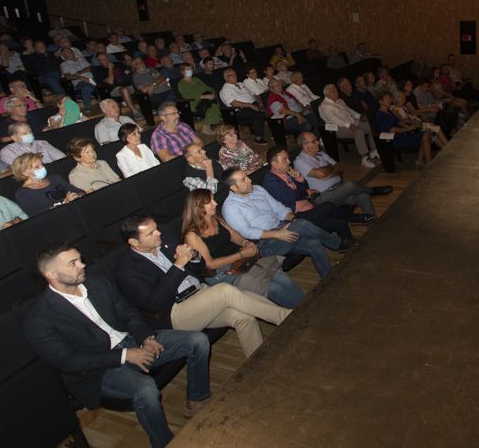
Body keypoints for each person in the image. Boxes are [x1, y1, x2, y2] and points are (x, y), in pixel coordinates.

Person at [25, 243, 211, 448]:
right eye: (73, 263)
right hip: (100, 369)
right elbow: (69, 361)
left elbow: (128, 313)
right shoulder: (40, 319)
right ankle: (165, 443)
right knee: (146, 389)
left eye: (80, 259)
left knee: (197, 341)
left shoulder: (97, 284)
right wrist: (125, 356)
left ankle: (196, 399)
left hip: (133, 341)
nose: (82, 265)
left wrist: (145, 337)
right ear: (50, 273)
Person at [113, 214, 291, 358]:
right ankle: (287, 318)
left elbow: (199, 268)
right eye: (150, 233)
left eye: (156, 228)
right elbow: (156, 303)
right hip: (176, 312)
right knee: (224, 290)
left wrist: (194, 255)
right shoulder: (127, 271)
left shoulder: (164, 240)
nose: (158, 233)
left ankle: (259, 363)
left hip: (200, 294)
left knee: (244, 318)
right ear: (134, 242)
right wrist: (178, 266)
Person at [182, 189, 305, 309]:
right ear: (198, 207)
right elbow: (210, 264)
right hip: (221, 273)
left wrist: (245, 243)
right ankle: (302, 312)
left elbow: (234, 235)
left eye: (213, 199)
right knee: (271, 287)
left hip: (240, 261)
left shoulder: (216, 219)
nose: (215, 203)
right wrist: (241, 255)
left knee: (278, 274)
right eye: (210, 202)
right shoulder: (192, 235)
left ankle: (307, 305)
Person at [220, 167, 346, 278]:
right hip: (265, 243)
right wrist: (277, 234)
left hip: (281, 227)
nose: (250, 180)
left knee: (314, 244)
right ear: (233, 187)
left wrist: (293, 219)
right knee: (302, 224)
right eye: (243, 180)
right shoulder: (231, 207)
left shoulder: (257, 189)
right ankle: (338, 244)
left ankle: (328, 278)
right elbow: (247, 232)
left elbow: (279, 208)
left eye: (246, 176)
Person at [263, 146, 365, 238]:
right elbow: (291, 197)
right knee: (327, 206)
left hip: (308, 206)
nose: (289, 161)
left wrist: (299, 177)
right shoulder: (271, 181)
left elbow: (305, 186)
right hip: (296, 215)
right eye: (284, 159)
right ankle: (356, 218)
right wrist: (305, 192)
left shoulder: (286, 172)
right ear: (274, 163)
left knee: (339, 223)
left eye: (288, 158)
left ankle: (349, 245)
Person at [293, 132, 390, 216]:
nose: (318, 142)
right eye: (314, 141)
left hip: (337, 189)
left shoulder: (322, 154)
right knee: (349, 185)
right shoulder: (300, 161)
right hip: (322, 197)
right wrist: (331, 168)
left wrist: (329, 174)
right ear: (305, 146)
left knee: (364, 196)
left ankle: (372, 223)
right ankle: (372, 191)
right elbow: (321, 174)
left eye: (317, 140)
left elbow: (339, 167)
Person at [318, 83, 378, 168]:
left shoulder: (339, 100)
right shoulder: (324, 106)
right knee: (358, 132)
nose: (337, 93)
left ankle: (373, 150)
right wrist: (349, 125)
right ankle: (364, 158)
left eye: (336, 91)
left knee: (370, 126)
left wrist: (359, 116)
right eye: (334, 92)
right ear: (327, 94)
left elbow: (349, 110)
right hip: (339, 128)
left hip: (352, 122)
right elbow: (334, 120)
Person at [11, 153, 84, 216]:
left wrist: (77, 195)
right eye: (37, 167)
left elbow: (78, 191)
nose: (42, 168)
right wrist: (64, 202)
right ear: (25, 172)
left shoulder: (55, 178)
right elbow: (34, 214)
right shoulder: (22, 193)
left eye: (42, 164)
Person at [375, 93, 432, 165]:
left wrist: (410, 126)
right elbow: (391, 130)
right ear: (380, 101)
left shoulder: (389, 111)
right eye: (387, 98)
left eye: (390, 98)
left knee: (426, 132)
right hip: (395, 138)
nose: (390, 100)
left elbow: (398, 122)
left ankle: (421, 160)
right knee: (425, 135)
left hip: (402, 134)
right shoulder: (380, 114)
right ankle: (428, 162)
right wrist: (407, 129)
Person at [218, 69, 267, 143]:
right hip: (239, 110)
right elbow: (234, 103)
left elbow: (252, 94)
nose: (235, 77)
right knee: (258, 114)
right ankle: (259, 137)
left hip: (252, 104)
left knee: (268, 105)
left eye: (235, 74)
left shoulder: (240, 84)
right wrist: (250, 105)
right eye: (232, 75)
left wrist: (259, 102)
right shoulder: (225, 89)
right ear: (226, 78)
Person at [92, 51, 142, 119]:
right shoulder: (100, 70)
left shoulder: (118, 64)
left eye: (105, 58)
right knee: (124, 89)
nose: (105, 60)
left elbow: (129, 73)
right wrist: (110, 68)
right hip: (115, 90)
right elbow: (110, 81)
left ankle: (150, 106)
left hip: (129, 85)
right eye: (102, 59)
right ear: (99, 62)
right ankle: (135, 112)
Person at [176, 66, 221, 134]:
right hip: (193, 102)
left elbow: (207, 88)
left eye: (191, 69)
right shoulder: (181, 83)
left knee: (216, 101)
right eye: (188, 69)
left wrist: (213, 94)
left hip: (206, 99)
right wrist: (204, 96)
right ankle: (206, 128)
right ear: (182, 72)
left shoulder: (195, 79)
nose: (190, 70)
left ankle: (216, 122)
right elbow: (187, 96)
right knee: (213, 105)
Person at [0, 122, 67, 164]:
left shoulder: (43, 143)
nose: (29, 134)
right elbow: (17, 173)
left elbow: (63, 158)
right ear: (14, 138)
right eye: (25, 133)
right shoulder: (7, 151)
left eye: (30, 132)